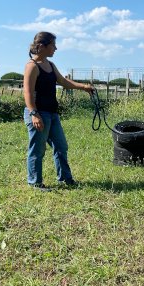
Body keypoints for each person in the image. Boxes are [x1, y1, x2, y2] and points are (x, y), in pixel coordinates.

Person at [23, 32, 93, 191]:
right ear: (42, 46)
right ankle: (35, 183)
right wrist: (34, 113)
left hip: (52, 114)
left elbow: (63, 82)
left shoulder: (50, 65)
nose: (56, 48)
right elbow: (27, 92)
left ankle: (65, 179)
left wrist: (84, 87)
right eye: (53, 45)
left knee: (61, 146)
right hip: (39, 114)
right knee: (37, 149)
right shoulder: (32, 66)